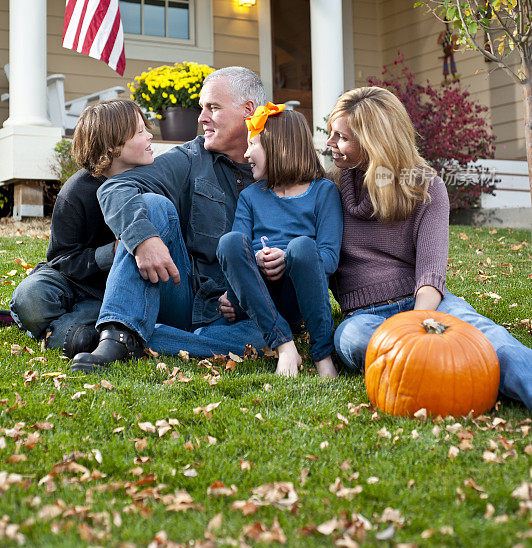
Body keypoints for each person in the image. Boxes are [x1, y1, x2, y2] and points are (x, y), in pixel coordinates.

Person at [328, 86, 532, 408]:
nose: (330, 145)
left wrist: (419, 324)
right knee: (350, 340)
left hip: (427, 303)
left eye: (341, 137)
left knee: (493, 341)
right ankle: (453, 373)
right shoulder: (328, 190)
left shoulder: (426, 186)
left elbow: (430, 272)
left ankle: (468, 370)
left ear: (373, 142)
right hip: (364, 317)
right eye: (331, 133)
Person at [71, 67, 270, 374]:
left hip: (243, 312)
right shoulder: (192, 158)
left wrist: (248, 295)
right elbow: (116, 187)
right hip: (185, 294)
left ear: (248, 111)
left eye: (212, 108)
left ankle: (150, 334)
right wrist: (144, 239)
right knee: (153, 205)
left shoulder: (284, 168)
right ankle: (119, 335)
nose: (201, 118)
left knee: (261, 334)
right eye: (202, 107)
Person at [9, 99, 154, 357]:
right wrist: (112, 252)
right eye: (141, 131)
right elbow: (61, 260)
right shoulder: (76, 193)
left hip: (110, 295)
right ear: (112, 147)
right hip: (71, 281)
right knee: (31, 297)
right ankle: (48, 322)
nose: (150, 135)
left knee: (87, 327)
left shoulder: (152, 184)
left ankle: (73, 335)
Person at [214, 103, 342, 378]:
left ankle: (323, 355)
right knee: (230, 241)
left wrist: (286, 257)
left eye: (252, 145)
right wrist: (258, 259)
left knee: (302, 246)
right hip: (254, 299)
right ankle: (284, 345)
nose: (246, 154)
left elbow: (329, 260)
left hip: (298, 298)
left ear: (278, 147)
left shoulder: (323, 191)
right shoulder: (250, 196)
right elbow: (237, 253)